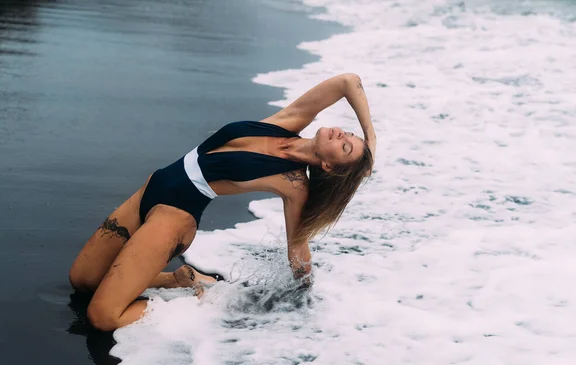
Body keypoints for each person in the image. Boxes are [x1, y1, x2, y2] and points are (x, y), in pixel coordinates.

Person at [69, 73, 376, 331]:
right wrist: (370, 140)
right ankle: (179, 279)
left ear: (329, 167)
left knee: (104, 316)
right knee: (83, 280)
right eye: (348, 133)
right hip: (148, 191)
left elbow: (297, 244)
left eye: (346, 146)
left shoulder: (295, 185)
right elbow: (348, 81)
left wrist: (303, 293)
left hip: (173, 218)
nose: (341, 133)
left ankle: (198, 306)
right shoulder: (288, 122)